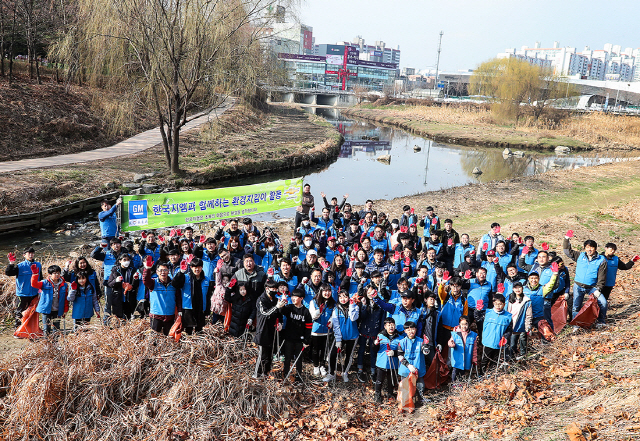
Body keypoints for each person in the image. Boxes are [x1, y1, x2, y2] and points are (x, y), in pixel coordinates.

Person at [563, 232, 608, 328]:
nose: (589, 249)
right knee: (576, 306)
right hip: (578, 286)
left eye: (591, 247)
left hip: (592, 287)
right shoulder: (580, 256)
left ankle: (601, 321)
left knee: (603, 302)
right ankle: (576, 324)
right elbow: (567, 251)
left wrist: (599, 289)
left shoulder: (601, 260)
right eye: (587, 247)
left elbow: (602, 276)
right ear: (584, 248)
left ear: (595, 248)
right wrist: (566, 238)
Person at [324, 289, 360, 383]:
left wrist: (352, 305)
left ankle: (345, 373)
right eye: (340, 297)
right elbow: (336, 325)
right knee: (332, 354)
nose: (343, 299)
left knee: (349, 355)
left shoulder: (355, 307)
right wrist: (338, 339)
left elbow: (353, 318)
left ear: (348, 297)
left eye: (345, 296)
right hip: (340, 336)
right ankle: (331, 373)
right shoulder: (336, 309)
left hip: (352, 336)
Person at [253, 281, 287, 378]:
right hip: (263, 330)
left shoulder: (276, 299)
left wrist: (280, 322)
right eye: (273, 289)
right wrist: (276, 307)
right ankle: (257, 374)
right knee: (262, 355)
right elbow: (264, 313)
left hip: (273, 330)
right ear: (267, 288)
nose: (275, 291)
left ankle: (266, 373)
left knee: (270, 355)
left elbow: (279, 313)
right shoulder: (261, 300)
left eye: (276, 289)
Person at [279, 289, 312, 382]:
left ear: (301, 298)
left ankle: (298, 376)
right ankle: (285, 374)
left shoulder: (305, 311)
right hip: (289, 337)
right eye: (292, 296)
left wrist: (307, 340)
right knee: (287, 357)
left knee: (298, 358)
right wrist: (283, 302)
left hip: (300, 339)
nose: (293, 298)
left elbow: (308, 327)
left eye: (296, 297)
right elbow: (281, 311)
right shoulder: (289, 307)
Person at [173, 257, 212, 334]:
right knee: (188, 330)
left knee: (199, 329)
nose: (197, 269)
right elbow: (175, 284)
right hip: (188, 307)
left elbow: (208, 296)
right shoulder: (185, 277)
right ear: (191, 267)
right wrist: (181, 272)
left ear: (202, 267)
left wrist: (207, 310)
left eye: (199, 267)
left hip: (200, 307)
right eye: (194, 267)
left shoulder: (206, 279)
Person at [6, 246, 42, 328]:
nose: (31, 255)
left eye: (32, 253)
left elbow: (41, 278)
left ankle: (30, 328)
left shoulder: (38, 265)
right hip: (22, 293)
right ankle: (18, 328)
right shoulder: (20, 266)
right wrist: (11, 263)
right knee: (20, 311)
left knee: (33, 311)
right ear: (24, 255)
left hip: (34, 293)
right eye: (29, 253)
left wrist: (40, 290)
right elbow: (9, 273)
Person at [356, 285, 386, 382]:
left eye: (372, 292)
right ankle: (360, 369)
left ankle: (373, 372)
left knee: (373, 352)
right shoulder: (364, 303)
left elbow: (382, 319)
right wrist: (364, 306)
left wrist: (381, 332)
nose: (370, 294)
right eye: (368, 292)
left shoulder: (380, 303)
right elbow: (362, 317)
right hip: (364, 331)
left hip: (375, 332)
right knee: (361, 350)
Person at [142, 258, 180, 335]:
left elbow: (178, 298)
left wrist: (179, 310)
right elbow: (146, 280)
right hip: (156, 316)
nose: (163, 272)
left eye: (165, 270)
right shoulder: (153, 283)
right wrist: (147, 269)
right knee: (154, 337)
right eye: (160, 270)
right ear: (157, 272)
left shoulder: (173, 284)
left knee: (169, 337)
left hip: (170, 315)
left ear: (168, 271)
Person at [30, 264, 68, 335]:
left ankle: (55, 344)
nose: (57, 275)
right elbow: (34, 284)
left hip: (57, 310)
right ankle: (47, 343)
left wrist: (65, 310)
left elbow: (65, 298)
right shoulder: (44, 283)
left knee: (56, 328)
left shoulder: (64, 285)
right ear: (50, 274)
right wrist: (35, 274)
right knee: (46, 328)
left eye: (58, 273)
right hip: (46, 310)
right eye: (54, 273)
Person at [397, 321, 428, 403]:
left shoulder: (421, 341)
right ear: (405, 331)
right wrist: (408, 365)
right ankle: (405, 402)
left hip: (418, 367)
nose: (411, 331)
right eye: (408, 329)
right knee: (405, 386)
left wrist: (426, 345)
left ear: (416, 329)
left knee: (420, 385)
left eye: (413, 329)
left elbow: (425, 352)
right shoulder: (402, 342)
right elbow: (400, 356)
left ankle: (420, 399)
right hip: (406, 369)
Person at [481, 294, 512, 374]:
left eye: (500, 304)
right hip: (487, 341)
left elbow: (509, 330)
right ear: (493, 303)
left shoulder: (508, 316)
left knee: (494, 361)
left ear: (504, 304)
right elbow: (478, 318)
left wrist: (505, 337)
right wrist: (477, 310)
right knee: (485, 359)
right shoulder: (487, 312)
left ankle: (490, 375)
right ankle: (481, 375)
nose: (498, 306)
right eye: (496, 303)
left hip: (499, 343)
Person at [373, 317, 402, 403]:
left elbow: (402, 351)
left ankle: (390, 393)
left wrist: (394, 352)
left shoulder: (399, 338)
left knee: (391, 380)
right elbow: (374, 349)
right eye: (389, 325)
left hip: (393, 363)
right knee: (379, 380)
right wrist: (375, 344)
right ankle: (377, 395)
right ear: (385, 326)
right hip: (381, 362)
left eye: (392, 325)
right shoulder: (380, 335)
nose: (391, 327)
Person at [309, 284, 335, 377]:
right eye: (325, 291)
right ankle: (316, 365)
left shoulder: (333, 303)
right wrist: (319, 311)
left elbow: (333, 315)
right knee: (315, 349)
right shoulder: (314, 301)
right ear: (321, 291)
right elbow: (312, 316)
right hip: (316, 330)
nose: (327, 293)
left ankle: (322, 365)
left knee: (325, 349)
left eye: (329, 291)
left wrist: (331, 321)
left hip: (327, 330)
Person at [107, 253, 139, 320]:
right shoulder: (115, 270)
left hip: (129, 298)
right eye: (124, 260)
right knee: (118, 318)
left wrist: (135, 280)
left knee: (128, 317)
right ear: (120, 261)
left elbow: (136, 285)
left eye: (128, 260)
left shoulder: (133, 270)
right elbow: (110, 283)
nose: (126, 262)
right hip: (118, 297)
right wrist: (116, 280)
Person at [447, 316, 477, 381]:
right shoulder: (455, 334)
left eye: (466, 324)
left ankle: (460, 383)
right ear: (459, 324)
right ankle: (454, 383)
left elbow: (474, 348)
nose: (464, 326)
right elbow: (450, 342)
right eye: (462, 324)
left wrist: (474, 359)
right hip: (457, 357)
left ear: (468, 324)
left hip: (466, 357)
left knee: (462, 372)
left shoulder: (473, 335)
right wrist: (451, 344)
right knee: (455, 371)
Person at [506, 282, 532, 359]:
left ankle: (523, 357)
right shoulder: (509, 298)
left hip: (521, 324)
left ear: (522, 288)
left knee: (522, 340)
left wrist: (528, 326)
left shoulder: (526, 300)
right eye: (515, 288)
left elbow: (529, 315)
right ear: (513, 289)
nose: (517, 289)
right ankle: (511, 358)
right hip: (511, 324)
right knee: (512, 343)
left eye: (519, 287)